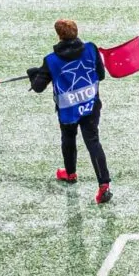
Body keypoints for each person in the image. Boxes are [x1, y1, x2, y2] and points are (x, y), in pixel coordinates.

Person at [28, 19, 112, 203]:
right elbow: (101, 75)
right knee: (93, 142)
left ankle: (71, 173)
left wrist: (34, 74)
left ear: (59, 35)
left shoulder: (51, 60)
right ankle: (104, 185)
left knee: (68, 139)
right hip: (90, 105)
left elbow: (38, 87)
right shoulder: (91, 49)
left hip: (68, 110)